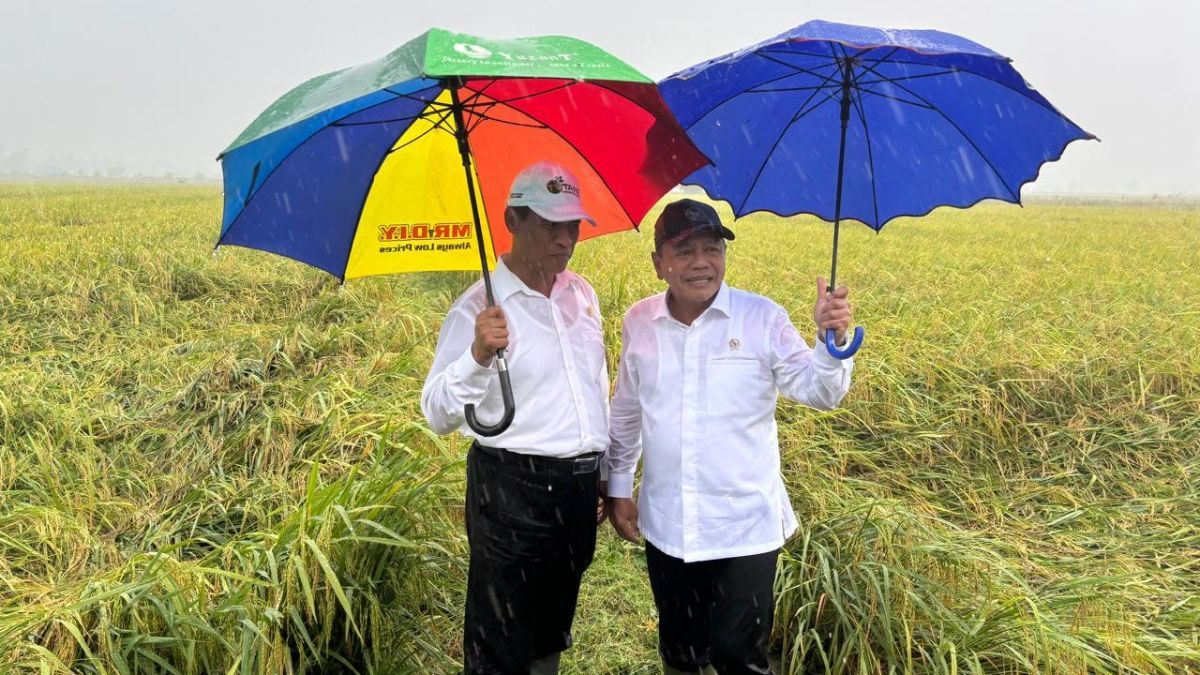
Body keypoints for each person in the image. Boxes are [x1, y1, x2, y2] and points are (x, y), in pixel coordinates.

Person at [605, 198, 855, 675]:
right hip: (669, 523)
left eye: (712, 248)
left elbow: (820, 391)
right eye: (684, 250)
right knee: (681, 653)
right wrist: (618, 487)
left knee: (738, 657)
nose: (701, 262)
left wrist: (832, 342)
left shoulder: (761, 318)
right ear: (659, 264)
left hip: (744, 527)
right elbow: (627, 410)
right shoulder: (640, 322)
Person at [421, 161, 610, 675]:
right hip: (510, 490)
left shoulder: (581, 294)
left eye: (572, 225)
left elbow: (596, 388)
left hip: (575, 491)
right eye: (550, 225)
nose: (565, 239)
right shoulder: (477, 308)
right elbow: (436, 411)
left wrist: (604, 471)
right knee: (500, 641)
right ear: (512, 219)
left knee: (551, 631)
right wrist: (478, 355)